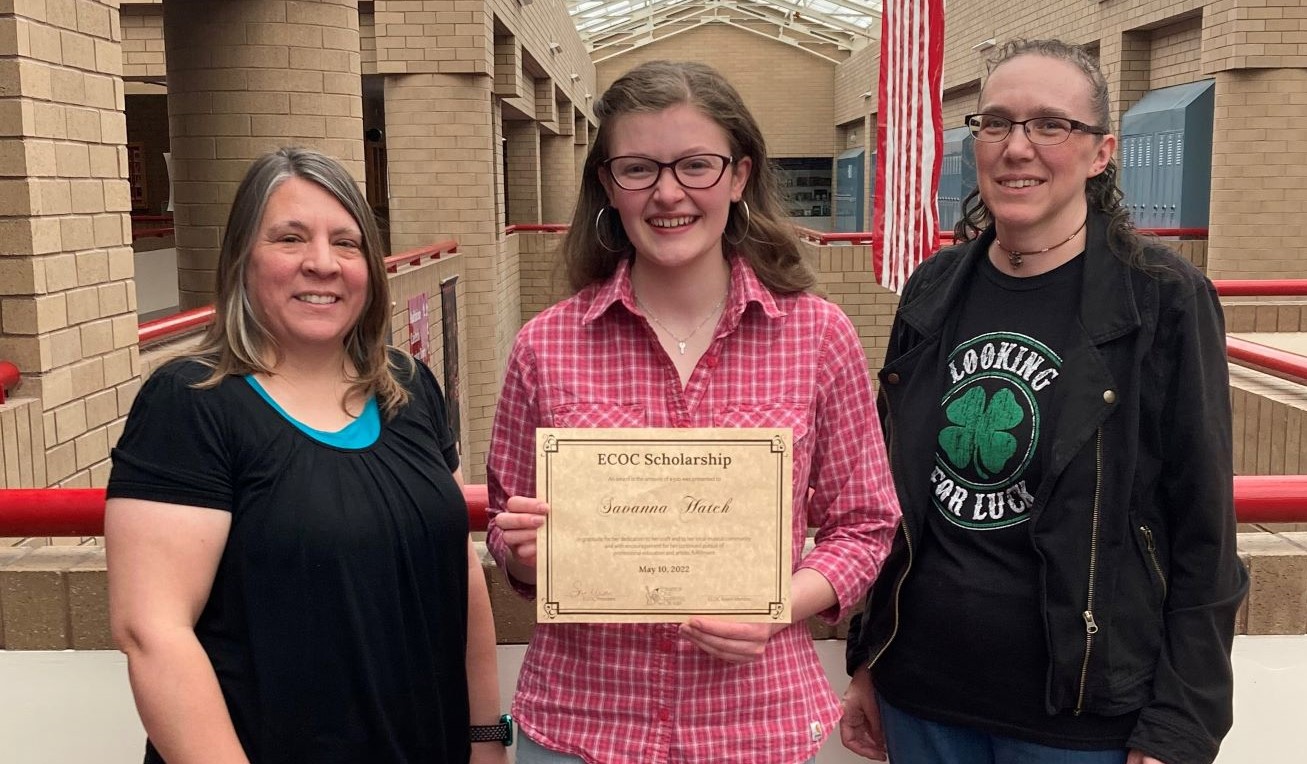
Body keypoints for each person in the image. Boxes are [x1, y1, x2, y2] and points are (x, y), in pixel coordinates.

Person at [840, 39, 1248, 764]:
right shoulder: (933, 289)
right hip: (921, 696)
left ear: (1100, 153)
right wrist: (870, 656)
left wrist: (1182, 725)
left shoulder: (1161, 300)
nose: (1015, 147)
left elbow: (1203, 530)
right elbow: (894, 497)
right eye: (995, 123)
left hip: (1080, 717)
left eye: (1049, 125)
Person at [486, 60, 900, 763]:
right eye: (638, 169)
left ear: (739, 176)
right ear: (606, 187)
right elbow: (507, 529)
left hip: (755, 725)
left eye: (696, 166)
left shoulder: (817, 335)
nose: (668, 193)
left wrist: (775, 605)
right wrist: (520, 547)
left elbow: (863, 525)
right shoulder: (545, 345)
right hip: (583, 728)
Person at [105, 147, 508, 764]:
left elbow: (460, 573)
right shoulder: (191, 403)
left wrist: (485, 741)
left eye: (346, 243)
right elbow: (152, 634)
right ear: (243, 259)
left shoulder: (409, 387)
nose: (322, 263)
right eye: (290, 238)